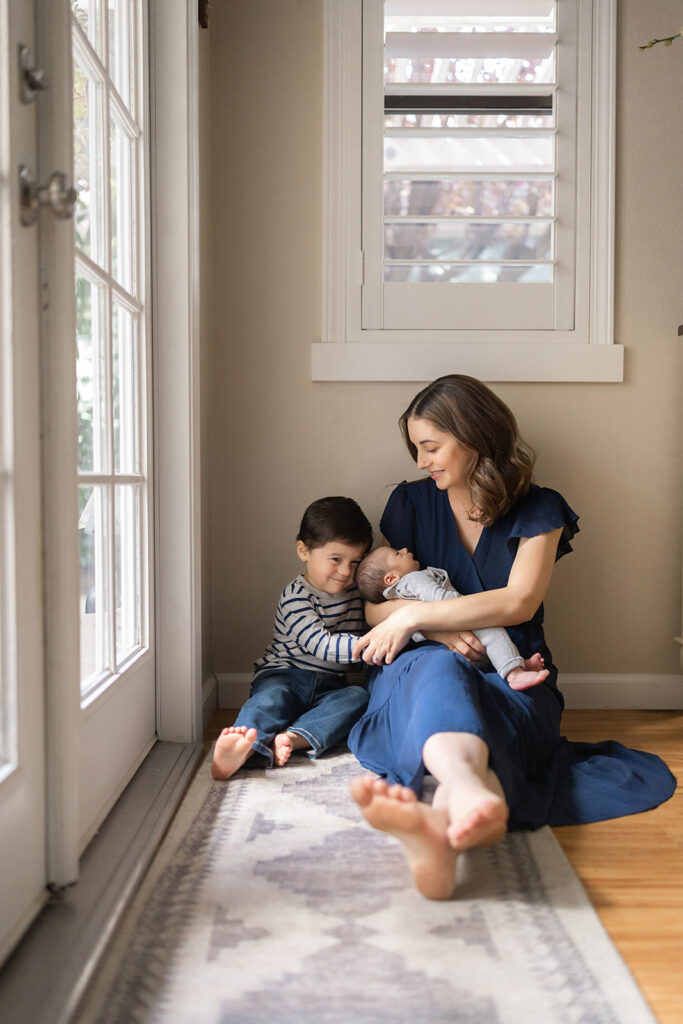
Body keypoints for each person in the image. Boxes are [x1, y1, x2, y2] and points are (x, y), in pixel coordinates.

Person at [347, 374, 676, 901]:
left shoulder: (539, 509)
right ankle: (467, 793)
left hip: (516, 669)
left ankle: (445, 825)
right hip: (422, 662)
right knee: (439, 672)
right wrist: (424, 624)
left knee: (503, 712)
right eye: (415, 448)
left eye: (430, 447)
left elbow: (518, 601)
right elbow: (376, 605)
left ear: (474, 437)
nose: (420, 461)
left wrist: (414, 617)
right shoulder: (410, 505)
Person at [212, 496, 372, 781]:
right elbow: (319, 645)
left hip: (330, 686)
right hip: (286, 675)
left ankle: (293, 737)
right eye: (336, 559)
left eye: (355, 561)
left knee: (357, 698)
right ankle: (242, 746)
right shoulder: (296, 596)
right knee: (270, 701)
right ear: (304, 550)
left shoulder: (356, 595)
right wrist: (371, 645)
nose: (346, 571)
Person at [356, 546, 548, 690]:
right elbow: (438, 598)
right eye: (397, 554)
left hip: (434, 643)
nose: (404, 549)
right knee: (493, 631)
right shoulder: (413, 579)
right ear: (391, 579)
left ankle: (515, 663)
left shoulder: (398, 597)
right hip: (453, 618)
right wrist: (465, 606)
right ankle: (513, 673)